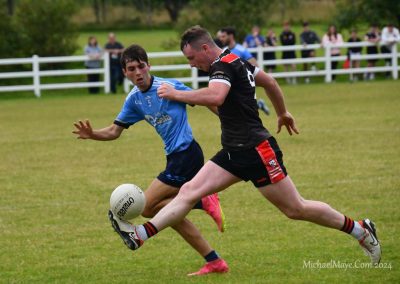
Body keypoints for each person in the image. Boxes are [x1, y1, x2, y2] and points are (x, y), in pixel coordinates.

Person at [108, 26, 381, 269]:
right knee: (190, 191)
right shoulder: (238, 60)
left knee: (295, 209)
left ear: (205, 48)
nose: (191, 65)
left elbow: (216, 95)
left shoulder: (222, 66)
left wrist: (176, 93)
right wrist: (282, 112)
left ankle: (360, 230)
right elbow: (270, 82)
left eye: (191, 58)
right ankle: (141, 235)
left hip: (257, 150)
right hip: (232, 152)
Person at [73, 44, 229, 276]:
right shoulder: (134, 100)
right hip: (174, 158)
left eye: (141, 66)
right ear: (125, 73)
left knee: (146, 206)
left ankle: (203, 202)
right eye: (131, 69)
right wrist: (93, 134)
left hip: (186, 154)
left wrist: (230, 120)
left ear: (149, 66)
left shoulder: (167, 86)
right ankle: (214, 260)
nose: (137, 72)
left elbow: (207, 100)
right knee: (169, 214)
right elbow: (115, 131)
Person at [219, 27, 269, 115]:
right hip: (229, 83)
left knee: (241, 108)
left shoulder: (241, 50)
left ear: (231, 36)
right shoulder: (223, 51)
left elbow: (254, 65)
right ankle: (259, 105)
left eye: (224, 36)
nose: (221, 39)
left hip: (240, 84)